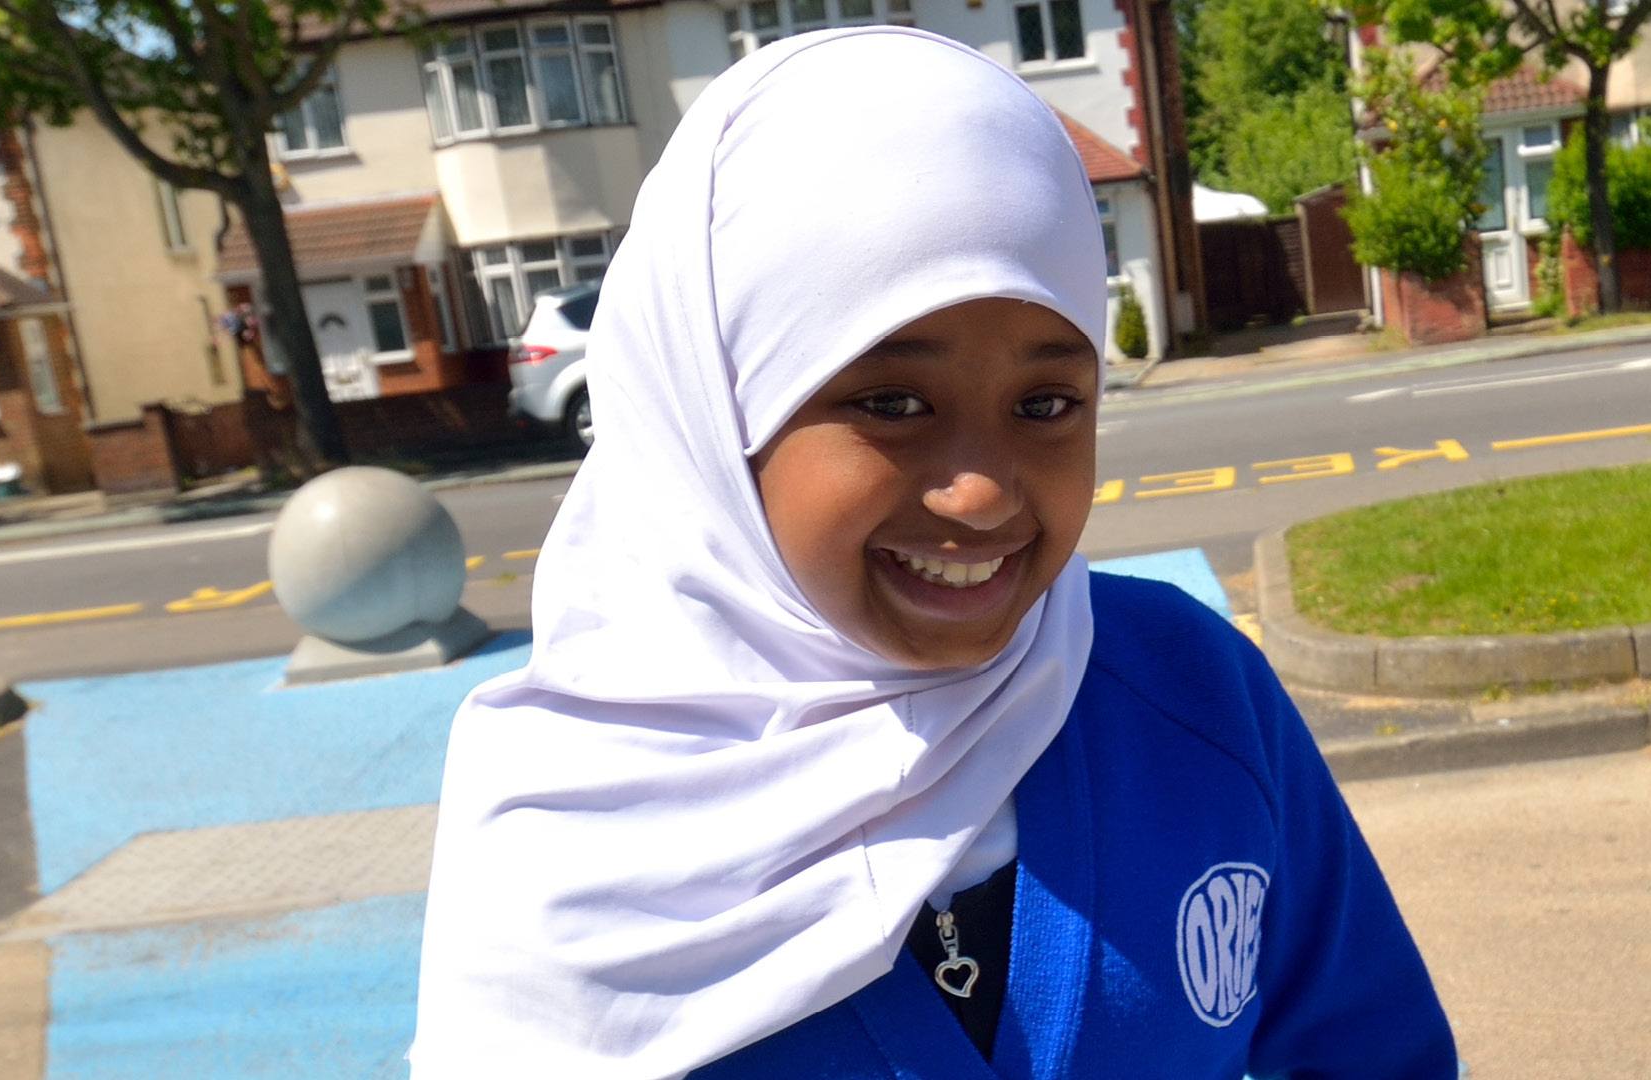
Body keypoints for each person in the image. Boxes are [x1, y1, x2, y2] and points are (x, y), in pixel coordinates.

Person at [406, 28, 1457, 1080]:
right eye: (892, 403)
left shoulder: (1190, 694)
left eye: (1047, 403)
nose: (985, 490)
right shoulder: (566, 835)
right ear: (714, 418)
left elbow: (1376, 1048)